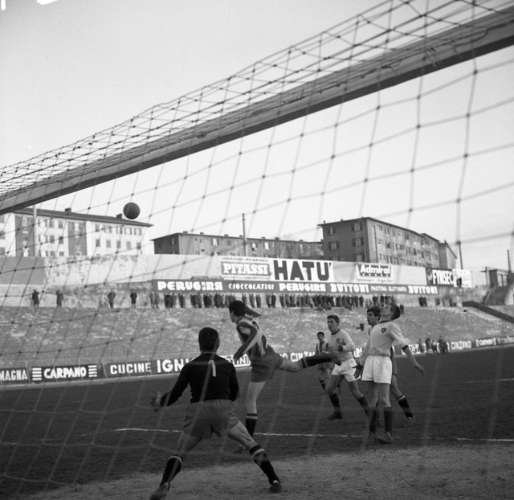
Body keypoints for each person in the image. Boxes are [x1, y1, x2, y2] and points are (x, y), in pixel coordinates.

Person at [148, 327, 282, 499]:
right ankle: (274, 480)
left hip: (198, 411)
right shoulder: (227, 365)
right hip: (223, 410)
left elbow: (175, 394)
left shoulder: (190, 366)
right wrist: (224, 404)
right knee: (250, 443)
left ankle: (165, 484)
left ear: (199, 344)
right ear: (218, 344)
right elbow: (235, 393)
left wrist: (160, 402)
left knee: (179, 452)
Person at [228, 300, 336, 438]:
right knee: (296, 366)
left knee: (250, 401)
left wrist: (240, 352)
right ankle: (327, 357)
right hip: (271, 356)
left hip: (262, 364)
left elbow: (255, 334)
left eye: (229, 312)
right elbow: (254, 326)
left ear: (232, 312)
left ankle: (248, 441)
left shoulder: (241, 325)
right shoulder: (248, 319)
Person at [359, 304, 424, 445]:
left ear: (392, 313)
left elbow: (403, 344)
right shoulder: (375, 328)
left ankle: (388, 434)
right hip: (370, 361)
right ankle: (372, 433)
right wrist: (360, 364)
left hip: (383, 362)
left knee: (384, 399)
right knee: (372, 398)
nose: (384, 307)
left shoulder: (392, 326)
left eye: (387, 307)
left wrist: (414, 362)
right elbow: (368, 347)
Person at [323, 314, 369, 420]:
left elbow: (352, 346)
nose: (329, 324)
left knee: (355, 392)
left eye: (331, 322)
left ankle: (370, 415)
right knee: (329, 389)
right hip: (338, 365)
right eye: (328, 322)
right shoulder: (330, 337)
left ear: (337, 323)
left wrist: (342, 348)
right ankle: (338, 413)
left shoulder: (343, 334)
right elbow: (332, 351)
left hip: (348, 364)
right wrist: (328, 354)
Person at [315, 331, 341, 418]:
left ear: (323, 336)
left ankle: (332, 388)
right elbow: (316, 353)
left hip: (326, 364)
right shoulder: (317, 345)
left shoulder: (326, 344)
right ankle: (329, 388)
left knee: (327, 378)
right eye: (318, 336)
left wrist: (325, 354)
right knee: (320, 378)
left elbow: (330, 353)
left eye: (321, 336)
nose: (319, 337)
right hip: (320, 364)